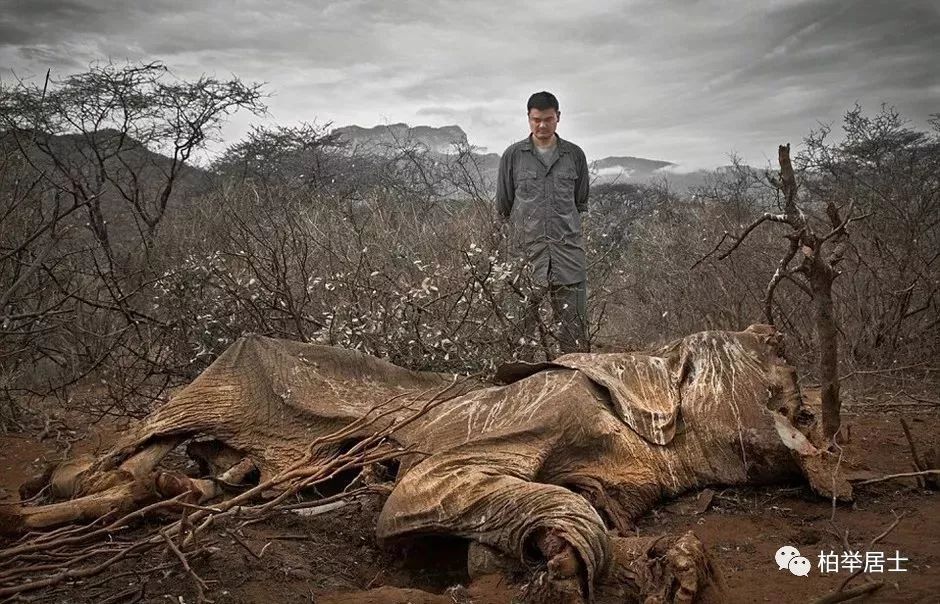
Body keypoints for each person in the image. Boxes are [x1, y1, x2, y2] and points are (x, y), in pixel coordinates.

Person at [496, 91, 590, 353]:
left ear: (558, 117)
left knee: (574, 336)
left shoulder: (575, 156)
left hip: (568, 256)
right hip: (525, 257)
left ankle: (577, 389)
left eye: (548, 119)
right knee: (519, 337)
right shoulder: (513, 156)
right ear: (528, 118)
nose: (542, 125)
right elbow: (503, 208)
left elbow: (579, 203)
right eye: (536, 119)